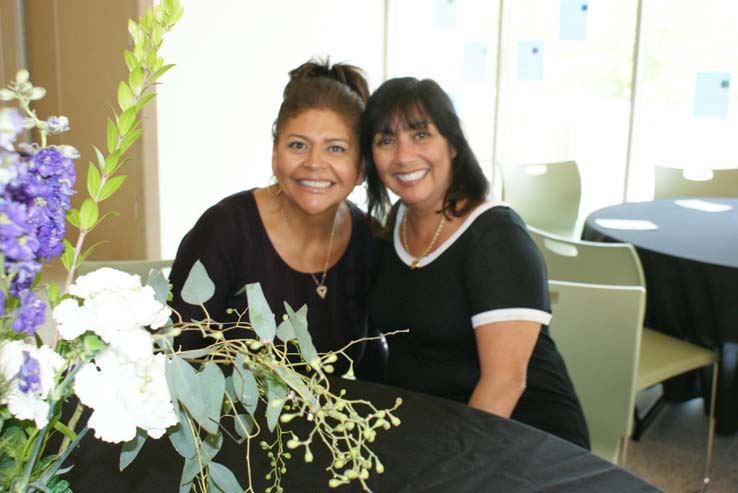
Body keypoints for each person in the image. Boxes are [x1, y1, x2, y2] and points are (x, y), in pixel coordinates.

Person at [359, 77, 590, 448]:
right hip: (435, 425)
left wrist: (455, 469)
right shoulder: (394, 227)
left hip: (521, 433)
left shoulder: (496, 237)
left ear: (452, 144)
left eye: (421, 135)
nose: (403, 155)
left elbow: (505, 383)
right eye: (386, 140)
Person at [169, 59, 384, 378]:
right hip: (229, 425)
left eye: (336, 149)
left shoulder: (370, 240)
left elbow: (375, 358)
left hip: (331, 424)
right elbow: (176, 357)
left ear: (362, 167)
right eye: (298, 145)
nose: (314, 163)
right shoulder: (224, 230)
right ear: (275, 154)